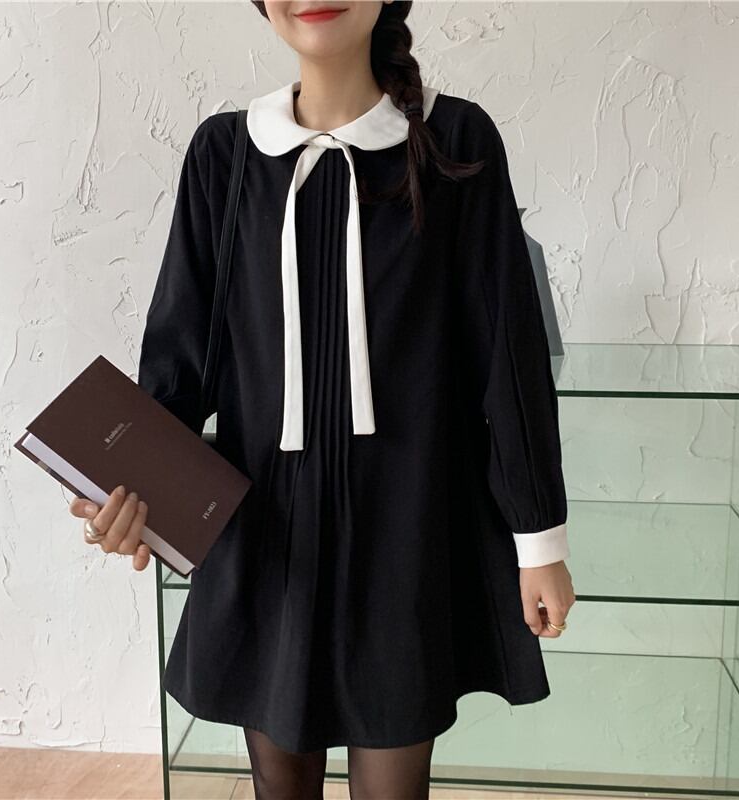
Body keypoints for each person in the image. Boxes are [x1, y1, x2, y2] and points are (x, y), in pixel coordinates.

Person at [68, 1, 576, 797]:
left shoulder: (454, 140)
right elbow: (179, 365)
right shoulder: (224, 156)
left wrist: (538, 539)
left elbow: (507, 358)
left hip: (410, 536)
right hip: (266, 542)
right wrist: (130, 494)